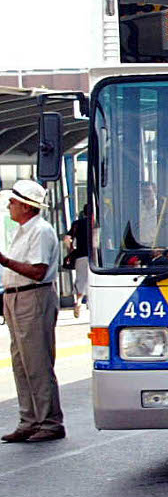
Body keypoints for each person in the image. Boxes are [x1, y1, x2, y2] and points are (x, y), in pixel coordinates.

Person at [2, 180, 65, 442]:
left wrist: (4, 261)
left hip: (33, 296)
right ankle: (29, 420)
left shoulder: (40, 230)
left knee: (37, 362)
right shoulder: (23, 230)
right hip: (17, 297)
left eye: (13, 202)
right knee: (21, 363)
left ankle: (49, 422)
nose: (9, 205)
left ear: (26, 207)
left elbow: (38, 271)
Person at [64, 199, 91, 319]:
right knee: (93, 279)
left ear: (83, 213)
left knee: (81, 280)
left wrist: (71, 248)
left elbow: (67, 239)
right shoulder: (96, 223)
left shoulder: (77, 224)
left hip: (80, 256)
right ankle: (91, 304)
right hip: (95, 256)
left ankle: (79, 301)